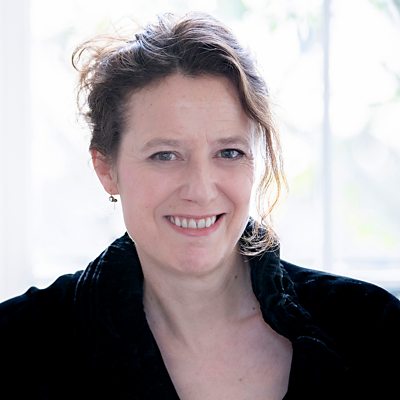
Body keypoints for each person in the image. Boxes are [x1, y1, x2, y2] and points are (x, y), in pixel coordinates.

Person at [0, 11, 399, 400]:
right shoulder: (19, 344)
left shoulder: (370, 329)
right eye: (165, 155)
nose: (201, 190)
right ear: (106, 169)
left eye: (229, 153)